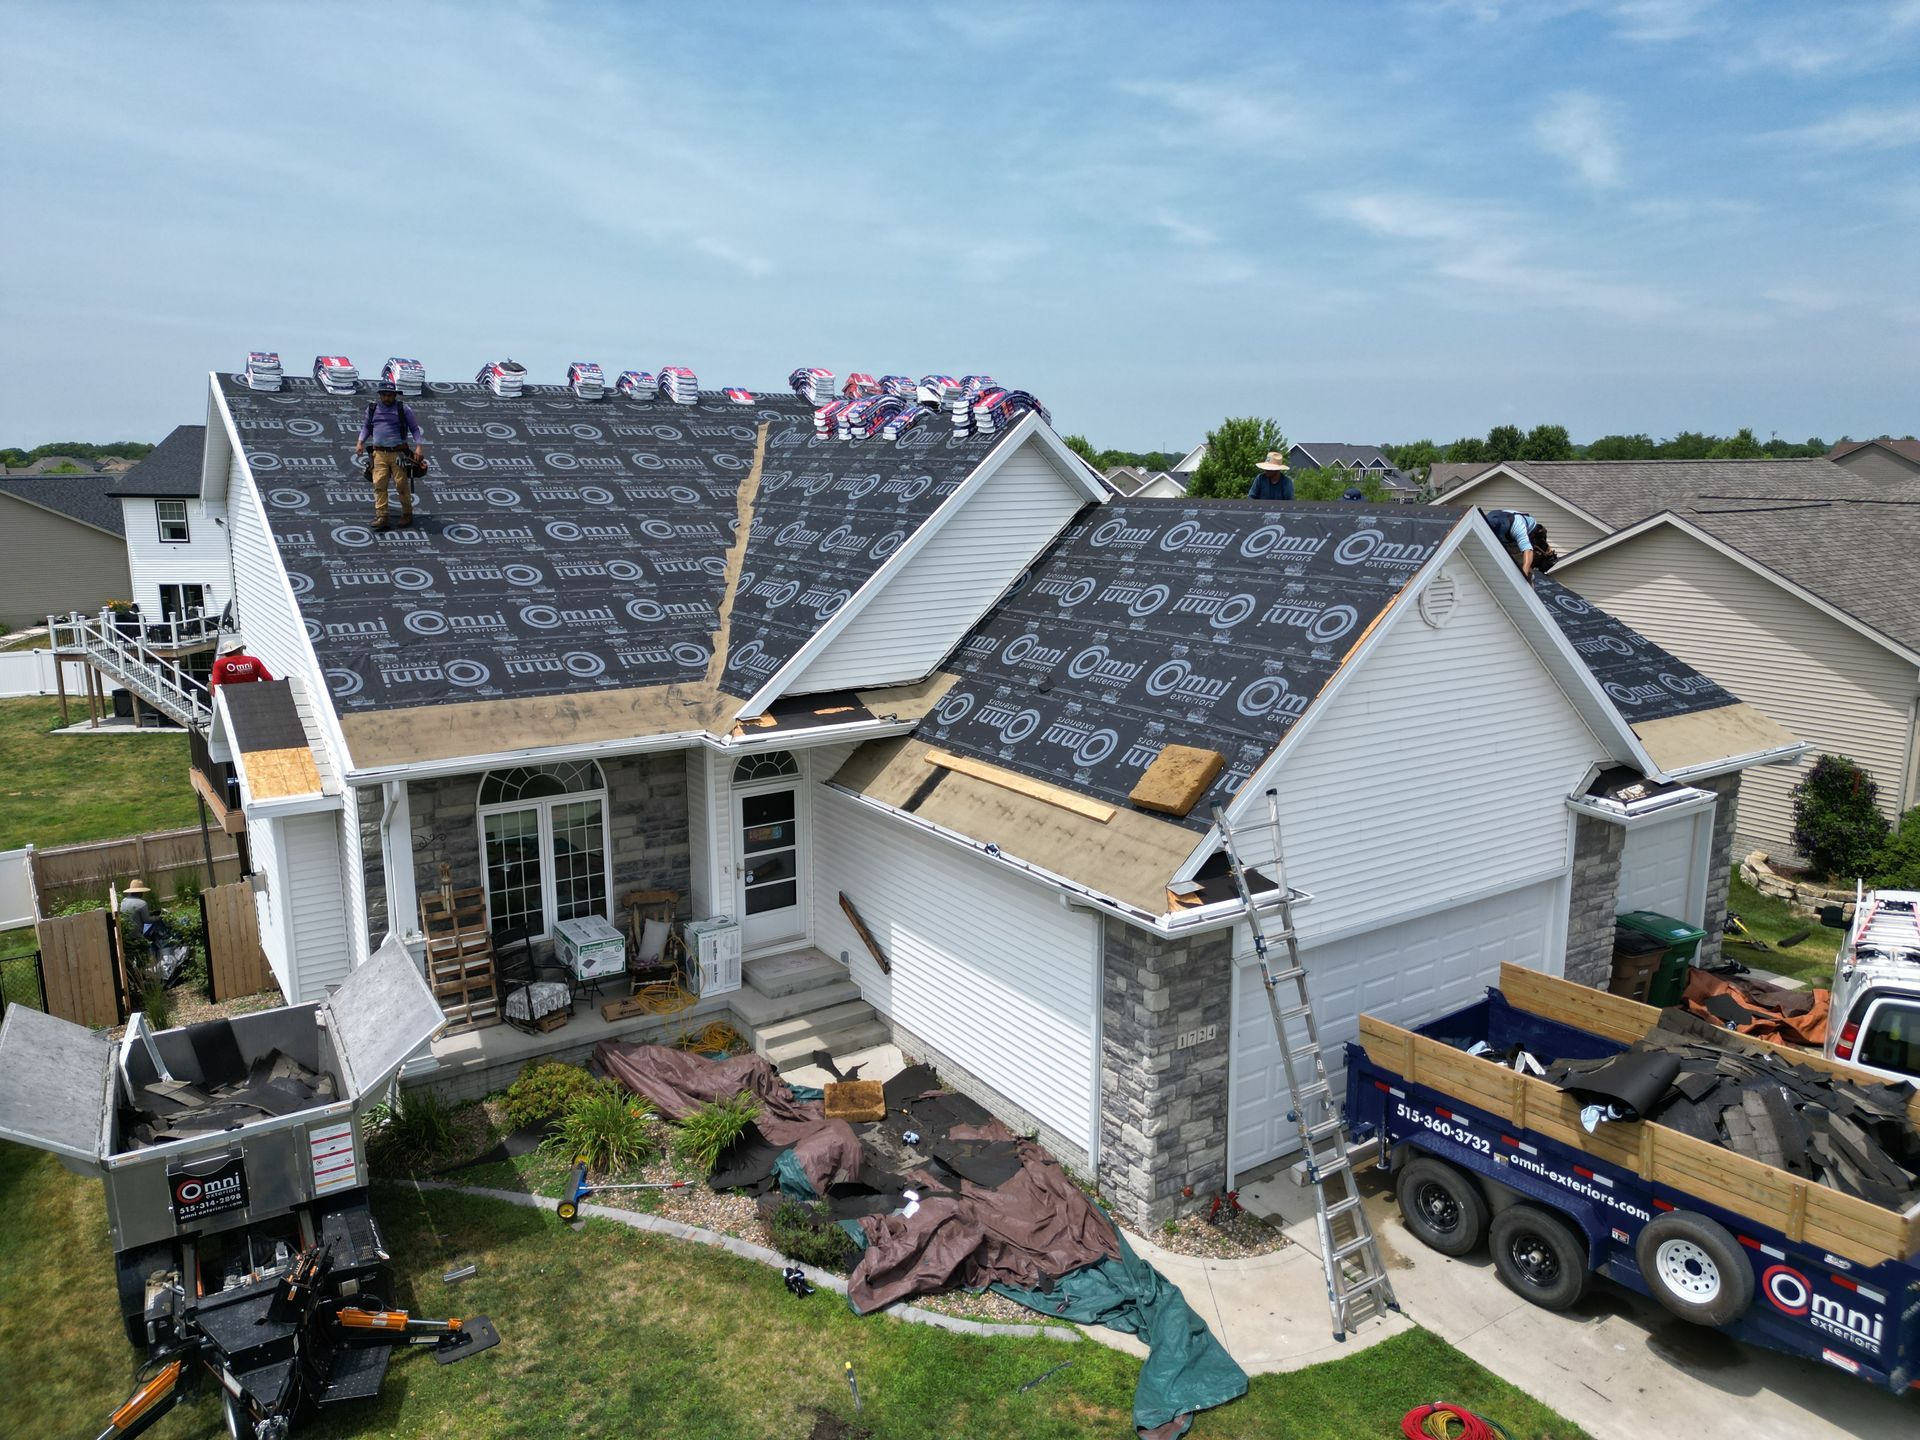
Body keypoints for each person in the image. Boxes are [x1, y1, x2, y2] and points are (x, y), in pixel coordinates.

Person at [353, 380, 425, 532]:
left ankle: (407, 513)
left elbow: (415, 429)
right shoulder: (372, 409)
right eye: (384, 395)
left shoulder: (403, 409)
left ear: (395, 395)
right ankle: (382, 517)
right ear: (380, 395)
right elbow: (366, 427)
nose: (387, 398)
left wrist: (418, 446)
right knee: (379, 484)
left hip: (399, 453)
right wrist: (360, 442)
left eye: (390, 395)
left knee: (401, 485)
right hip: (379, 453)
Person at [1487, 508, 1555, 580]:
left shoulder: (1517, 526)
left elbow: (1527, 550)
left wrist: (1524, 574)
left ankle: (1529, 580)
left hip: (1532, 536)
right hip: (1509, 539)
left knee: (1520, 565)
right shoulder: (1488, 521)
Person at [209, 639, 273, 691]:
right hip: (254, 696)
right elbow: (269, 679)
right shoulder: (254, 661)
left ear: (225, 654)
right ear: (239, 650)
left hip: (232, 700)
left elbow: (216, 687)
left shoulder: (219, 664)